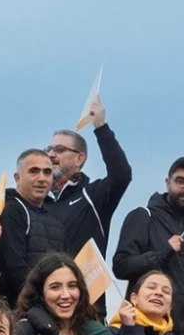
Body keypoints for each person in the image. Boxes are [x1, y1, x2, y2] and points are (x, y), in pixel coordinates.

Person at [114, 157, 184, 328]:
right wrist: (163, 253)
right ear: (168, 183)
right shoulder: (144, 217)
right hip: (147, 329)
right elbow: (121, 267)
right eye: (181, 181)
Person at [47, 99, 132, 258]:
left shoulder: (93, 196)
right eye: (49, 149)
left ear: (79, 158)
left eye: (59, 149)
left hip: (83, 274)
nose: (51, 155)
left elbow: (121, 174)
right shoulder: (40, 202)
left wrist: (101, 127)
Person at [0, 150, 68, 303]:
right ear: (17, 178)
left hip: (54, 305)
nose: (41, 178)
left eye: (47, 172)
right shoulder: (12, 210)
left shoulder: (55, 219)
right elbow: (13, 266)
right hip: (21, 307)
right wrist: (45, 296)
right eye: (34, 171)